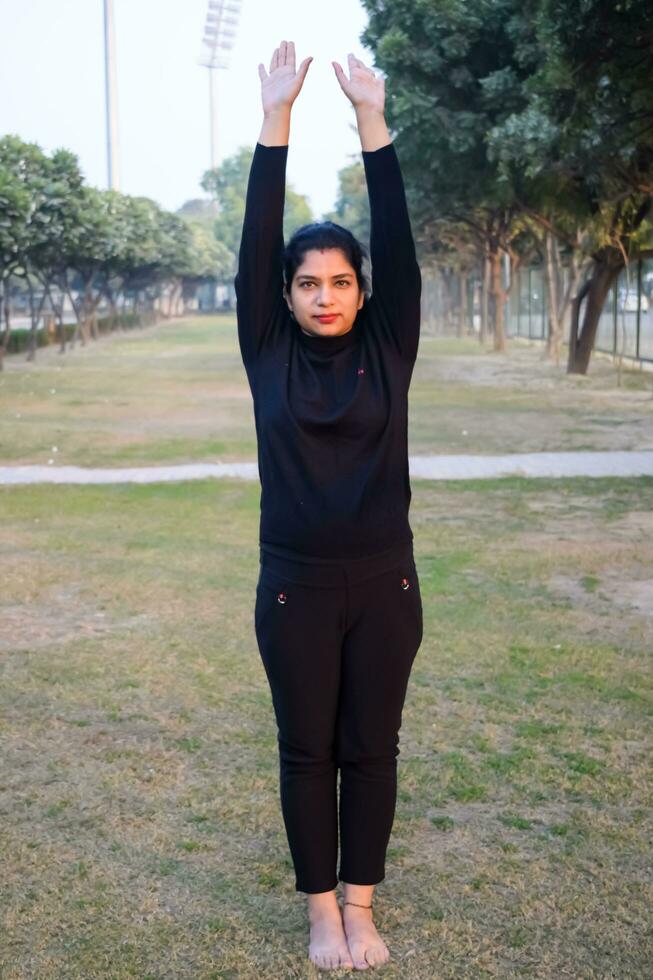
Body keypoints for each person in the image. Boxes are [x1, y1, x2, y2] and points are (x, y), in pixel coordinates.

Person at [235, 40, 423, 971]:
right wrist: (277, 119)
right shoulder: (265, 347)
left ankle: (362, 905)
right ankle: (320, 912)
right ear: (284, 295)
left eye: (339, 281)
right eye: (307, 283)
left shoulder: (389, 345)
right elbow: (258, 234)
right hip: (295, 589)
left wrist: (368, 121)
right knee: (307, 750)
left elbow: (392, 231)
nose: (323, 296)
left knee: (371, 749)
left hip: (385, 583)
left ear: (362, 292)